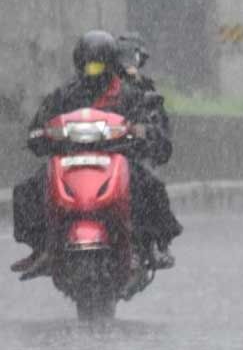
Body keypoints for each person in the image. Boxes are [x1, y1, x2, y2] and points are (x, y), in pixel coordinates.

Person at [11, 30, 182, 278]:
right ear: (79, 64)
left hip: (117, 160)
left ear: (111, 64)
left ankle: (150, 244)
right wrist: (39, 134)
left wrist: (144, 132)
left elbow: (153, 129)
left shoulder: (130, 95)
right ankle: (42, 245)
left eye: (99, 65)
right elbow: (40, 125)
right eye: (89, 66)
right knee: (28, 189)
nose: (94, 72)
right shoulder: (64, 96)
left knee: (148, 186)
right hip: (70, 162)